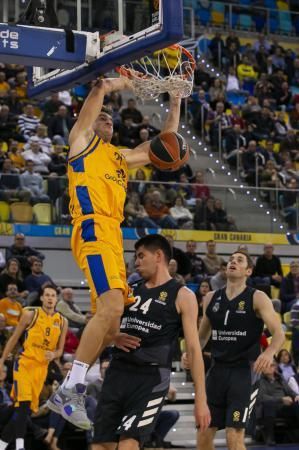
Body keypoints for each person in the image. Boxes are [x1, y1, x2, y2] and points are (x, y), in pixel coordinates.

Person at [48, 76, 182, 430]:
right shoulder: (81, 143)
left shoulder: (120, 157)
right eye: (102, 116)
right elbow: (96, 93)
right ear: (88, 121)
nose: (108, 120)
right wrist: (115, 83)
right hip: (92, 227)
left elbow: (165, 144)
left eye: (111, 118)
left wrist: (177, 101)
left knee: (112, 320)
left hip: (113, 233)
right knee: (111, 307)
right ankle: (69, 390)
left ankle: (83, 340)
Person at [91, 234, 211, 450]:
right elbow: (106, 328)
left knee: (128, 445)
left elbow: (193, 349)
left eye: (140, 256)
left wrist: (200, 400)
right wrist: (114, 336)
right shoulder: (130, 288)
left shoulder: (182, 294)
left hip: (151, 378)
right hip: (117, 372)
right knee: (100, 445)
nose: (136, 262)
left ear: (158, 256)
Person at [195, 251, 285, 450]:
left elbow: (278, 333)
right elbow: (201, 337)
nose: (233, 262)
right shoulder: (210, 298)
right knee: (203, 431)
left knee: (233, 435)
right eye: (231, 259)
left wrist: (268, 353)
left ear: (249, 271)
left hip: (244, 372)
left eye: (240, 260)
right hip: (216, 372)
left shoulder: (258, 297)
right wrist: (190, 354)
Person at [0, 285, 68, 450]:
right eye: (47, 295)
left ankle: (1, 445)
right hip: (24, 363)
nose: (50, 298)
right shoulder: (31, 314)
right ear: (42, 298)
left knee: (24, 410)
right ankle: (20, 445)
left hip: (41, 369)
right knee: (23, 404)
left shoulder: (62, 321)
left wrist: (54, 355)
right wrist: (1, 361)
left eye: (53, 295)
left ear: (56, 299)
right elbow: (14, 338)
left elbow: (60, 349)